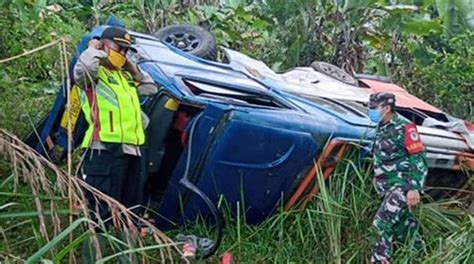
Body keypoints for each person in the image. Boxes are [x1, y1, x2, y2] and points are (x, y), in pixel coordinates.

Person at [74, 26, 157, 223]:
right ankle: (95, 253)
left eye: (126, 50)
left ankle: (125, 252)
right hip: (104, 148)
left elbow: (151, 87)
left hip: (131, 150)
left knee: (130, 212)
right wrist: (94, 49)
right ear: (103, 44)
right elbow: (82, 71)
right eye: (119, 48)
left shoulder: (124, 77)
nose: (122, 54)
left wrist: (130, 66)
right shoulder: (94, 74)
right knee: (99, 212)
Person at [368, 92, 428, 263]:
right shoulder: (382, 126)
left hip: (402, 186)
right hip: (386, 187)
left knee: (380, 224)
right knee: (404, 228)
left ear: (386, 108)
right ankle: (422, 258)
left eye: (373, 108)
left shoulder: (406, 127)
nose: (370, 111)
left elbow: (418, 157)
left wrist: (414, 188)